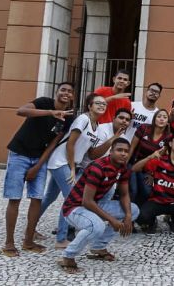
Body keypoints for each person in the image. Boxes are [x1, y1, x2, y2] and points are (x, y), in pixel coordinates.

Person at [1, 82, 75, 257]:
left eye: (70, 91)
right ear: (56, 92)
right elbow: (21, 111)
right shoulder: (43, 103)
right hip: (19, 152)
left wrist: (38, 166)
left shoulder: (69, 118)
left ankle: (28, 240)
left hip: (39, 157)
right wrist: (51, 112)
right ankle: (9, 243)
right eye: (63, 90)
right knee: (14, 198)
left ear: (72, 97)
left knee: (36, 198)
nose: (66, 93)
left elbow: (53, 143)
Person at [57, 138, 138, 274]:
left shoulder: (123, 168)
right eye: (119, 150)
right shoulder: (98, 167)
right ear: (111, 151)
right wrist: (112, 220)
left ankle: (98, 247)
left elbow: (124, 194)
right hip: (74, 208)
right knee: (97, 226)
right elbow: (86, 201)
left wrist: (128, 216)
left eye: (126, 151)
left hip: (96, 203)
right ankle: (68, 256)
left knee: (134, 210)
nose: (123, 154)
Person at [40, 93, 108, 249]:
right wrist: (71, 168)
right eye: (97, 103)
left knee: (49, 197)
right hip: (61, 161)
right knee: (71, 198)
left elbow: (88, 153)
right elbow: (71, 144)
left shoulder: (97, 128)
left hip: (72, 164)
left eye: (104, 104)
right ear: (89, 106)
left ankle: (31, 228)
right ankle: (61, 238)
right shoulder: (83, 119)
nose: (101, 106)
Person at [128, 109, 171, 206]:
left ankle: (141, 212)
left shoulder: (168, 137)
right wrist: (124, 166)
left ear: (168, 122)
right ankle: (129, 213)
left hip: (148, 169)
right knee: (133, 190)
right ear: (154, 119)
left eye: (165, 117)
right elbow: (131, 148)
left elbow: (161, 159)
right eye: (159, 116)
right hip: (134, 163)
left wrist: (153, 175)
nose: (161, 119)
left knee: (147, 191)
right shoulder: (144, 128)